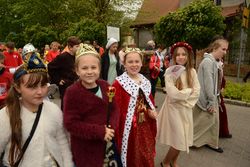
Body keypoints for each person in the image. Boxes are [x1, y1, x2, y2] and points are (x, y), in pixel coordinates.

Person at [0, 53, 74, 167]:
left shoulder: (53, 110)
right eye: (32, 86)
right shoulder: (6, 115)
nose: (40, 92)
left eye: (43, 85)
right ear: (18, 88)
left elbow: (62, 142)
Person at [63, 44, 119, 167]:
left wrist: (111, 128)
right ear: (77, 70)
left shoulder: (105, 86)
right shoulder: (72, 92)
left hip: (108, 143)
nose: (89, 72)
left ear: (99, 69)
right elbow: (70, 123)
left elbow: (114, 109)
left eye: (93, 67)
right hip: (86, 148)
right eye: (84, 68)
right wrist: (100, 131)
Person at [157, 42, 200, 167]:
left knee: (184, 137)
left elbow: (197, 91)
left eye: (184, 54)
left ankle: (173, 161)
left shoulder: (192, 71)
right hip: (174, 110)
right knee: (178, 140)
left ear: (188, 56)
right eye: (178, 55)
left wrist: (185, 97)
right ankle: (165, 162)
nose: (181, 57)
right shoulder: (170, 72)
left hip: (186, 109)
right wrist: (188, 91)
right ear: (174, 57)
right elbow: (173, 94)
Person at [112, 47, 157, 167]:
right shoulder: (119, 83)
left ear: (142, 63)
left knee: (146, 150)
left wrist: (151, 110)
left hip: (144, 124)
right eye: (130, 62)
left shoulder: (145, 81)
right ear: (124, 64)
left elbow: (148, 101)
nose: (134, 65)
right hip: (129, 127)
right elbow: (115, 107)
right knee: (132, 153)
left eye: (137, 61)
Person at [193, 37, 229, 153]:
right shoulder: (208, 62)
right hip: (206, 99)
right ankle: (190, 140)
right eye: (223, 49)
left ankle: (212, 143)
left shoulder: (214, 62)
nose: (225, 52)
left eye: (226, 50)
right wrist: (211, 101)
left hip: (212, 98)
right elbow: (209, 84)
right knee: (204, 122)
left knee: (213, 121)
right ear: (215, 48)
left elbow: (216, 81)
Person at [48, 36, 81, 109]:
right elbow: (50, 67)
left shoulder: (77, 57)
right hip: (66, 86)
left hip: (76, 85)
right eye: (77, 46)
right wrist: (58, 80)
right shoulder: (63, 57)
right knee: (67, 106)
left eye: (79, 46)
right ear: (70, 47)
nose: (79, 48)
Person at [217, 59, 232, 138]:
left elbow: (222, 79)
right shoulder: (213, 63)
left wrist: (222, 87)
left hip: (218, 93)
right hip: (215, 93)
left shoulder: (220, 63)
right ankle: (221, 132)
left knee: (222, 112)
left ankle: (223, 131)